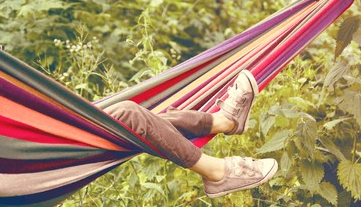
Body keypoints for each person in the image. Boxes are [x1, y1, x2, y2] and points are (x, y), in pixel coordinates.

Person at [104, 70, 278, 198]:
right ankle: (217, 173)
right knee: (129, 114)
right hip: (77, 152)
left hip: (79, 135)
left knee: (136, 117)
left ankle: (223, 121)